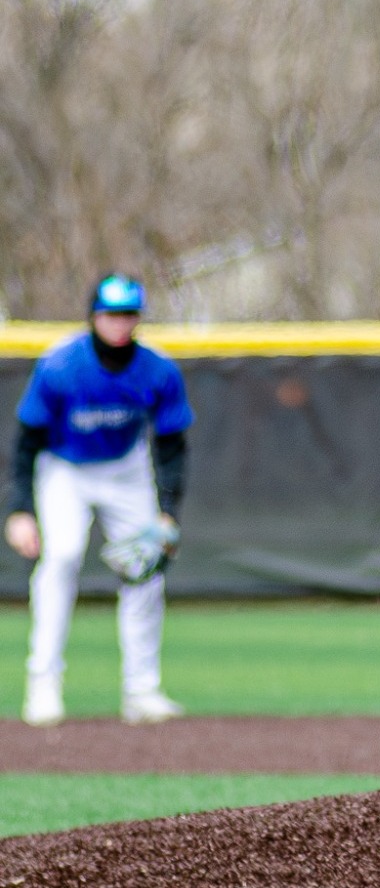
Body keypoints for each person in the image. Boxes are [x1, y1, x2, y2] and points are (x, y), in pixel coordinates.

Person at [6, 274, 194, 725]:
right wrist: (19, 510)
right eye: (111, 314)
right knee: (62, 558)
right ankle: (43, 684)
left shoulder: (158, 369)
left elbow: (171, 443)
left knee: (145, 567)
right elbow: (26, 441)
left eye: (128, 314)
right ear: (94, 316)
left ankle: (142, 690)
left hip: (126, 469)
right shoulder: (60, 365)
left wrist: (168, 511)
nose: (119, 323)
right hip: (65, 467)